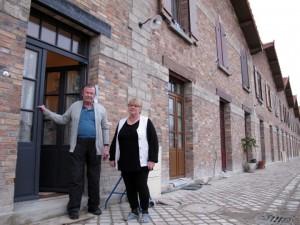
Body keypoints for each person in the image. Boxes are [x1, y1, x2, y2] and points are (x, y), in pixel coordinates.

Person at [38, 84, 109, 220]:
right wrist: (46, 112)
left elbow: (105, 127)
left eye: (91, 93)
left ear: (94, 95)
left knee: (94, 178)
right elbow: (63, 119)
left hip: (95, 146)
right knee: (76, 178)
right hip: (78, 145)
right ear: (82, 93)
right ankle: (74, 208)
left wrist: (105, 146)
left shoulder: (101, 109)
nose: (89, 95)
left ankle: (94, 206)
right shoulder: (75, 106)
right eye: (87, 92)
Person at [109, 98, 159, 223]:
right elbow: (116, 140)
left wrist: (152, 159)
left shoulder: (146, 122)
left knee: (141, 186)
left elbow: (154, 142)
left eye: (136, 106)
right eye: (130, 105)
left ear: (140, 108)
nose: (132, 108)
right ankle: (134, 210)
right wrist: (112, 156)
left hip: (141, 162)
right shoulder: (121, 123)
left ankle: (145, 211)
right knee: (130, 187)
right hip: (125, 161)